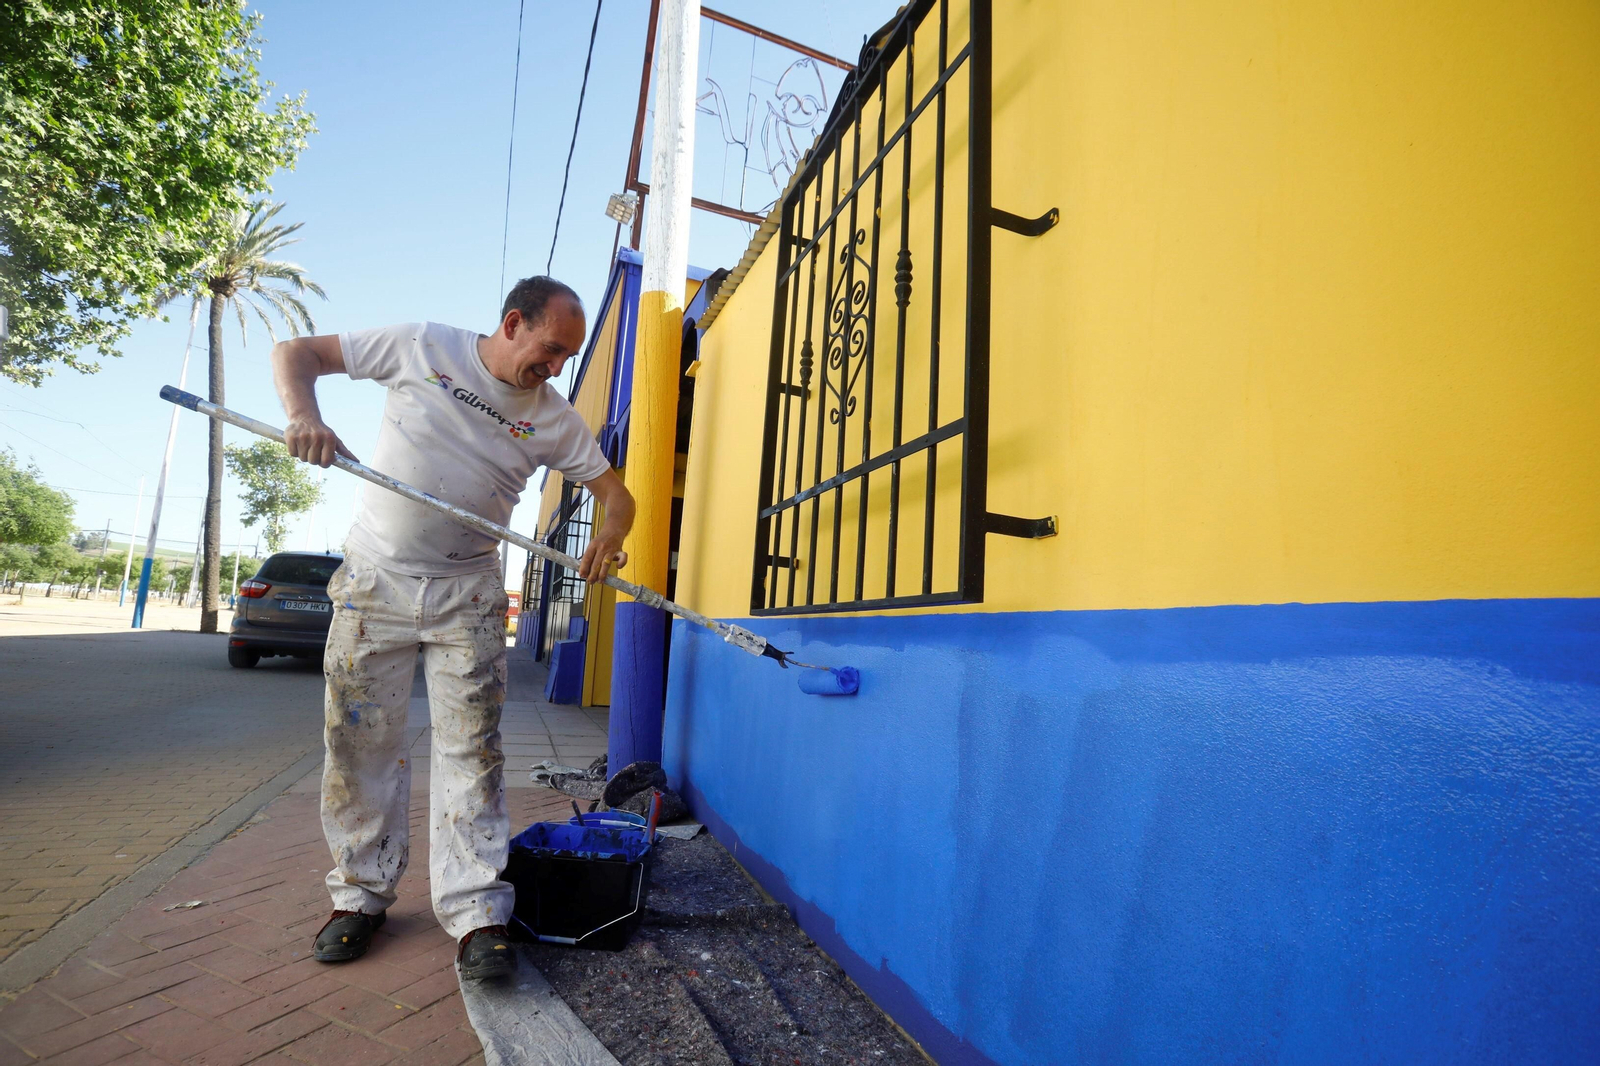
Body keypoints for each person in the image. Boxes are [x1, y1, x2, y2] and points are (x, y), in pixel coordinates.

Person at [269, 277, 634, 980]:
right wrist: (302, 416)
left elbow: (617, 495)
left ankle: (476, 916)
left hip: (468, 592)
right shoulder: (421, 346)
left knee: (474, 752)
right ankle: (360, 898)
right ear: (512, 323)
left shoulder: (554, 418)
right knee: (358, 744)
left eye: (567, 357)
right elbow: (296, 352)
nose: (555, 367)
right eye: (551, 350)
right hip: (376, 581)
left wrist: (610, 539)